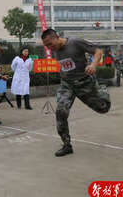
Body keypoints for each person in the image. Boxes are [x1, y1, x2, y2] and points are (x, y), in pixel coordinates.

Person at [42, 28, 111, 157]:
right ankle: (67, 145)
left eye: (50, 44)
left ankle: (102, 87)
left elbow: (98, 51)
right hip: (67, 85)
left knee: (103, 108)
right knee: (61, 112)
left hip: (84, 83)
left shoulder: (75, 42)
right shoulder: (55, 50)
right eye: (46, 46)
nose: (49, 48)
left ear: (56, 37)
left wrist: (93, 65)